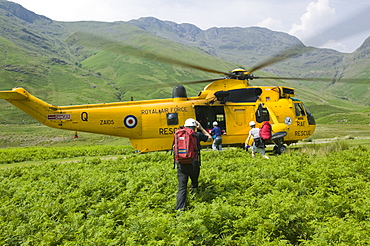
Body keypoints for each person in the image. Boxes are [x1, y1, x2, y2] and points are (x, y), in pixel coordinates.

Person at [175, 118, 212, 211]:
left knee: (182, 188)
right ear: (194, 127)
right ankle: (195, 202)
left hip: (181, 164)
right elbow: (210, 139)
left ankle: (180, 211)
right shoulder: (196, 134)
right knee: (194, 183)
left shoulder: (179, 133)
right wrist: (201, 128)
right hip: (193, 164)